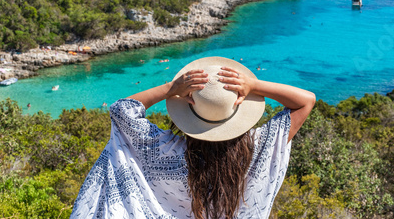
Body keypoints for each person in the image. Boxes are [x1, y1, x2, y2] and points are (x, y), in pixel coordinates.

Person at [71, 57, 315, 218]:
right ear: (238, 108)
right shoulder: (259, 150)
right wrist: (254, 85)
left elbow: (122, 110)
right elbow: (305, 101)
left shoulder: (161, 150)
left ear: (189, 108)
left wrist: (171, 88)